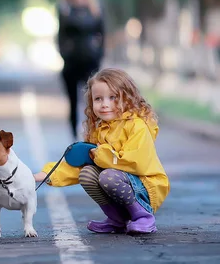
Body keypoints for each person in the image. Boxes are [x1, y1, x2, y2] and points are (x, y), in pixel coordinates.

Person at [33, 68, 170, 234]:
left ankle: (143, 216)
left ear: (128, 98)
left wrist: (100, 154)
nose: (105, 104)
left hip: (146, 187)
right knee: (87, 173)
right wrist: (43, 175)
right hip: (124, 182)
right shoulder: (100, 130)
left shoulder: (137, 126)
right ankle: (117, 219)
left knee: (108, 176)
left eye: (113, 98)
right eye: (98, 99)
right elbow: (79, 163)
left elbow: (136, 162)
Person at [57, 0, 105, 141]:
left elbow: (102, 34)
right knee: (73, 102)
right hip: (71, 62)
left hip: (91, 62)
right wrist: (64, 54)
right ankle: (74, 136)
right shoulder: (65, 8)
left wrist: (98, 54)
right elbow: (60, 35)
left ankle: (93, 135)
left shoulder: (96, 7)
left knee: (93, 101)